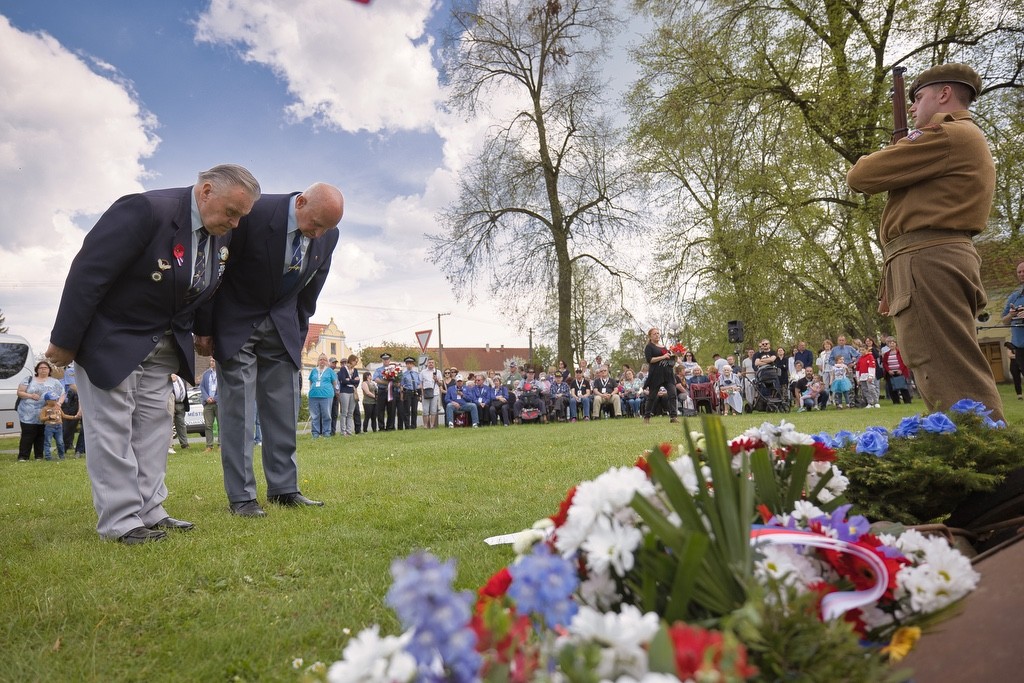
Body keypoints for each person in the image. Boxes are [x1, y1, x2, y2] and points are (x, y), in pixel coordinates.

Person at [47, 164, 261, 542]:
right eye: (232, 212)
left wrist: (203, 331)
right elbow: (88, 274)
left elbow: (206, 286)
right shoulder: (145, 210)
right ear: (206, 191)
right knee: (113, 429)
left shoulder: (220, 234)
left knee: (154, 430)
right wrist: (64, 340)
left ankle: (149, 509)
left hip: (164, 344)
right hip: (114, 338)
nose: (235, 223)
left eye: (241, 216)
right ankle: (120, 521)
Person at [848, 63, 1004, 420]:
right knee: (941, 370)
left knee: (951, 376)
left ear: (944, 94)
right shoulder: (957, 137)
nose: (913, 107)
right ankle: (976, 448)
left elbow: (861, 175)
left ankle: (988, 451)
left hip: (928, 260)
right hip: (930, 258)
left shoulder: (946, 134)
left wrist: (903, 146)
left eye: (918, 98)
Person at [196, 181, 343, 517]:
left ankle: (284, 488)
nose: (318, 234)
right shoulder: (253, 212)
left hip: (282, 327)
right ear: (301, 203)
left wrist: (298, 333)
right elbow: (216, 269)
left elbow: (311, 291)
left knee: (283, 412)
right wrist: (204, 326)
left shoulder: (328, 235)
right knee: (239, 414)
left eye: (326, 228)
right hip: (237, 323)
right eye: (315, 224)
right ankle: (242, 497)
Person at [16, 361, 64, 461]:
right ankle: (23, 456)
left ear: (49, 370)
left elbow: (63, 393)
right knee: (28, 434)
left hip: (46, 413)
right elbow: (19, 392)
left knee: (41, 435)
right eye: (41, 368)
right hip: (28, 413)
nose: (43, 370)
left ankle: (39, 456)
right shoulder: (28, 379)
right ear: (37, 370)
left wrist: (58, 404)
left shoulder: (55, 382)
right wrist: (30, 395)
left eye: (45, 368)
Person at [643, 328, 678, 424]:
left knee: (672, 394)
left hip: (668, 374)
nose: (657, 335)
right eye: (654, 334)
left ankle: (673, 416)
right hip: (656, 375)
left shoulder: (664, 347)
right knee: (652, 396)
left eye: (658, 333)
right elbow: (650, 360)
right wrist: (663, 357)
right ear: (650, 336)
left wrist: (674, 356)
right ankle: (646, 417)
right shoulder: (649, 347)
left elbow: (669, 360)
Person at [1003, 260, 1024, 401]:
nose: (1021, 274)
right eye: (1019, 272)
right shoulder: (1014, 296)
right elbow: (1004, 321)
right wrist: (1011, 315)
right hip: (1020, 346)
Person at [308, 354, 337, 438]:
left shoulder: (330, 371)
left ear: (327, 362)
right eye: (320, 359)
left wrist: (329, 390)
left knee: (326, 414)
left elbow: (334, 383)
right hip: (314, 396)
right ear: (318, 361)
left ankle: (326, 432)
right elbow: (311, 382)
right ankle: (315, 433)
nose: (322, 361)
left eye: (324, 359)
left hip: (326, 395)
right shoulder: (313, 370)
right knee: (315, 415)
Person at [61, 362, 86, 457]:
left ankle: (80, 450)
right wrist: (86, 393)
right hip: (72, 400)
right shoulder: (71, 370)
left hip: (87, 399)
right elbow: (72, 386)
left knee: (85, 427)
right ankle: (63, 448)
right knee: (69, 426)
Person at [881, 338, 913, 404]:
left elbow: (904, 362)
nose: (891, 345)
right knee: (892, 388)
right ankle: (896, 402)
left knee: (903, 387)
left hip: (900, 372)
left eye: (893, 343)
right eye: (890, 343)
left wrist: (900, 369)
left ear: (896, 344)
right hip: (891, 373)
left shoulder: (900, 353)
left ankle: (907, 401)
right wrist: (888, 370)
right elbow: (885, 363)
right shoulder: (886, 354)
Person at [337, 354, 360, 436]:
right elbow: (343, 381)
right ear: (351, 360)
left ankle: (349, 430)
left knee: (350, 412)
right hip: (344, 391)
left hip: (352, 391)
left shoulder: (355, 370)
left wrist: (349, 380)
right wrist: (353, 380)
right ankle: (343, 431)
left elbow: (357, 382)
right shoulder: (343, 369)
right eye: (355, 361)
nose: (356, 363)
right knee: (344, 412)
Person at [200, 358, 219, 451]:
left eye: (214, 361)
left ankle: (221, 445)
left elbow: (224, 388)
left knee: (221, 425)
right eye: (211, 361)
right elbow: (202, 387)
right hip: (208, 403)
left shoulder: (222, 374)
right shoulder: (206, 374)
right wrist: (207, 398)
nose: (212, 362)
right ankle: (209, 445)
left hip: (219, 403)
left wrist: (215, 398)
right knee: (208, 425)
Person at [40, 393, 66, 461]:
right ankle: (48, 456)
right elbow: (41, 419)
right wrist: (49, 417)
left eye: (56, 399)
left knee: (60, 442)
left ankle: (62, 456)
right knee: (48, 442)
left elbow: (64, 416)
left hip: (59, 426)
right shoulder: (45, 409)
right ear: (47, 401)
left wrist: (74, 417)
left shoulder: (58, 407)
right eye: (53, 400)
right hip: (49, 427)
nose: (55, 401)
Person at [419, 358, 444, 429]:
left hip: (435, 393)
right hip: (425, 393)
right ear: (427, 363)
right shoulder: (423, 372)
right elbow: (421, 383)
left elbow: (441, 384)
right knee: (425, 411)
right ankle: (425, 426)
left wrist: (436, 379)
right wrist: (422, 393)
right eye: (429, 362)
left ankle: (432, 425)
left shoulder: (438, 372)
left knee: (433, 411)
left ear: (434, 364)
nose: (431, 364)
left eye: (432, 362)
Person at [398, 357, 421, 430]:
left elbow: (419, 384)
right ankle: (407, 426)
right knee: (407, 410)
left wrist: (419, 394)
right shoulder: (403, 374)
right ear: (406, 365)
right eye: (408, 364)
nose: (409, 365)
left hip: (415, 392)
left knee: (414, 410)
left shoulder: (416, 374)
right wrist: (401, 395)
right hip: (407, 392)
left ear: (413, 364)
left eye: (410, 363)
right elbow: (401, 385)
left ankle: (414, 426)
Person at [854, 343, 881, 408]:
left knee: (871, 389)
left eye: (863, 350)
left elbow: (872, 366)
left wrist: (871, 376)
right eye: (860, 350)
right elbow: (858, 369)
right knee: (865, 390)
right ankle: (870, 402)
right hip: (862, 377)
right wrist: (858, 378)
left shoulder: (870, 357)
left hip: (868, 376)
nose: (861, 351)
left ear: (866, 350)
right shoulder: (860, 358)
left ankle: (876, 402)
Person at [169, 373, 190, 450]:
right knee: (169, 425)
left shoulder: (182, 378)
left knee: (181, 424)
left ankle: (184, 444)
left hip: (181, 404)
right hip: (171, 404)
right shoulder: (168, 377)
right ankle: (169, 445)